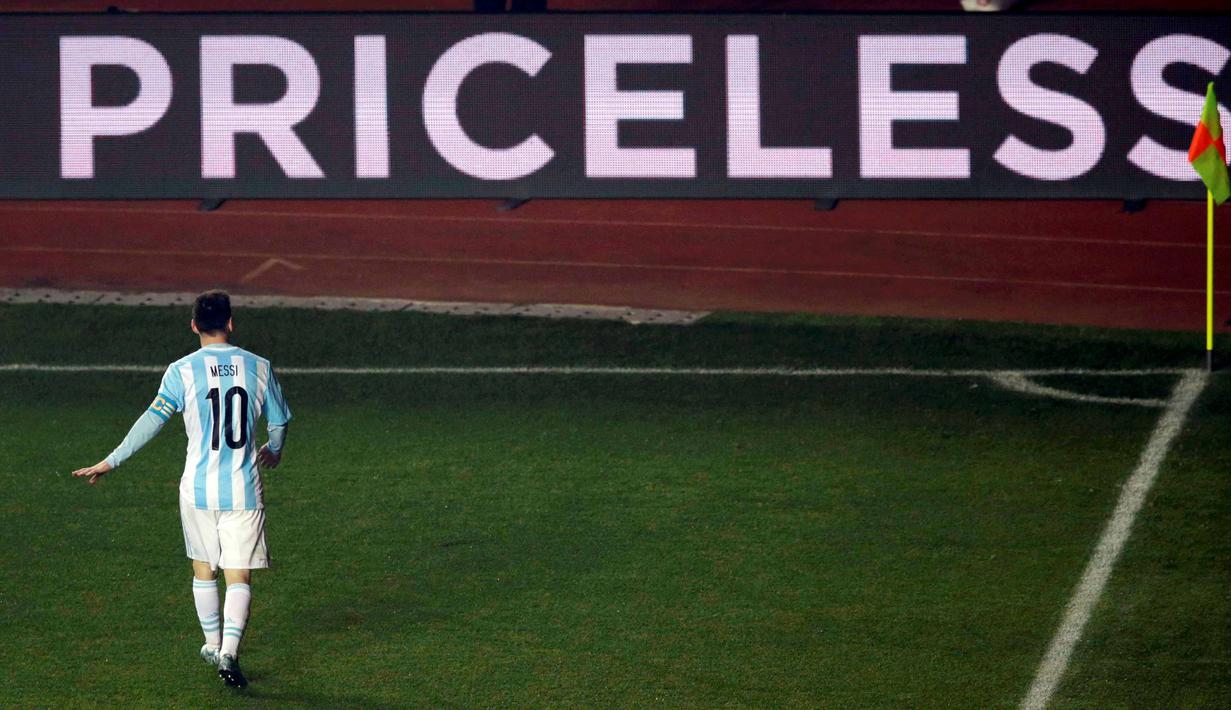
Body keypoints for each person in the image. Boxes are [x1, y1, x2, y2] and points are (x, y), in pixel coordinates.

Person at [72, 290, 292, 689]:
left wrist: (111, 460)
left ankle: (211, 644)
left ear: (194, 325)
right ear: (231, 322)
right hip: (243, 490)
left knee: (203, 568)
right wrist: (274, 451)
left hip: (197, 490)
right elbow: (278, 423)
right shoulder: (259, 366)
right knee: (238, 575)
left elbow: (151, 421)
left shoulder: (181, 371)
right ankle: (229, 652)